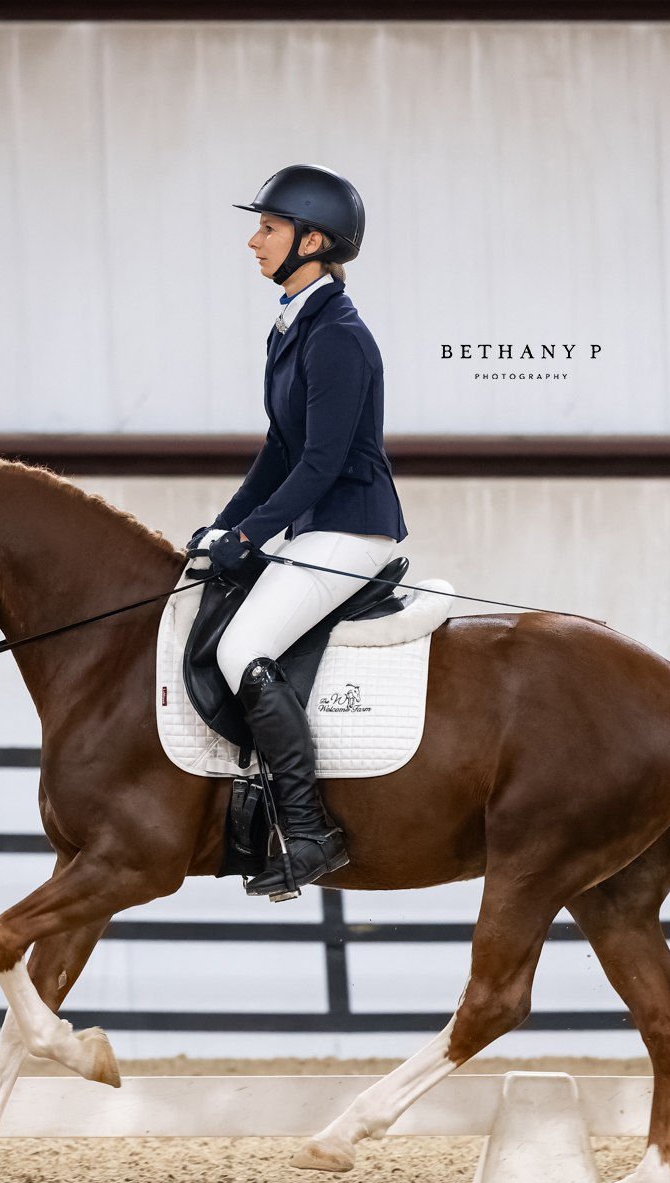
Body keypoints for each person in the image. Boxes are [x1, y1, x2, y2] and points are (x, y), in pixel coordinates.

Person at [187, 163, 409, 899]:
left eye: (269, 229)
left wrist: (249, 539)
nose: (254, 242)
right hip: (316, 527)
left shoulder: (338, 336)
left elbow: (319, 464)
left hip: (351, 528)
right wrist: (220, 531)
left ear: (313, 240)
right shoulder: (293, 326)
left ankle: (309, 834)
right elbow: (277, 453)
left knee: (244, 646)